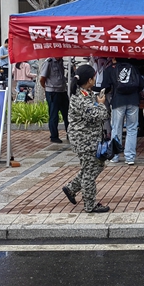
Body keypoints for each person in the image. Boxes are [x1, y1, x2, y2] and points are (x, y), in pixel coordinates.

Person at [61, 64, 110, 213]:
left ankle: (71, 188)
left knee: (97, 166)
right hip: (84, 140)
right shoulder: (81, 98)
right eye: (94, 77)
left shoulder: (84, 93)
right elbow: (98, 115)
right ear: (89, 80)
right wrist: (101, 105)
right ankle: (90, 204)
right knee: (89, 172)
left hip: (89, 138)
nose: (95, 80)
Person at [103, 58, 144, 165]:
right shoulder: (133, 68)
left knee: (116, 128)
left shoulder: (110, 69)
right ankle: (130, 157)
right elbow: (141, 84)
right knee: (132, 128)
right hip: (133, 101)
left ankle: (115, 156)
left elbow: (105, 87)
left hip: (118, 101)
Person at [39, 57, 69, 144]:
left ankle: (70, 134)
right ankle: (54, 136)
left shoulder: (61, 61)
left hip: (62, 90)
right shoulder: (48, 62)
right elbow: (42, 79)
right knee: (54, 115)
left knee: (67, 114)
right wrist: (47, 88)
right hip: (53, 92)